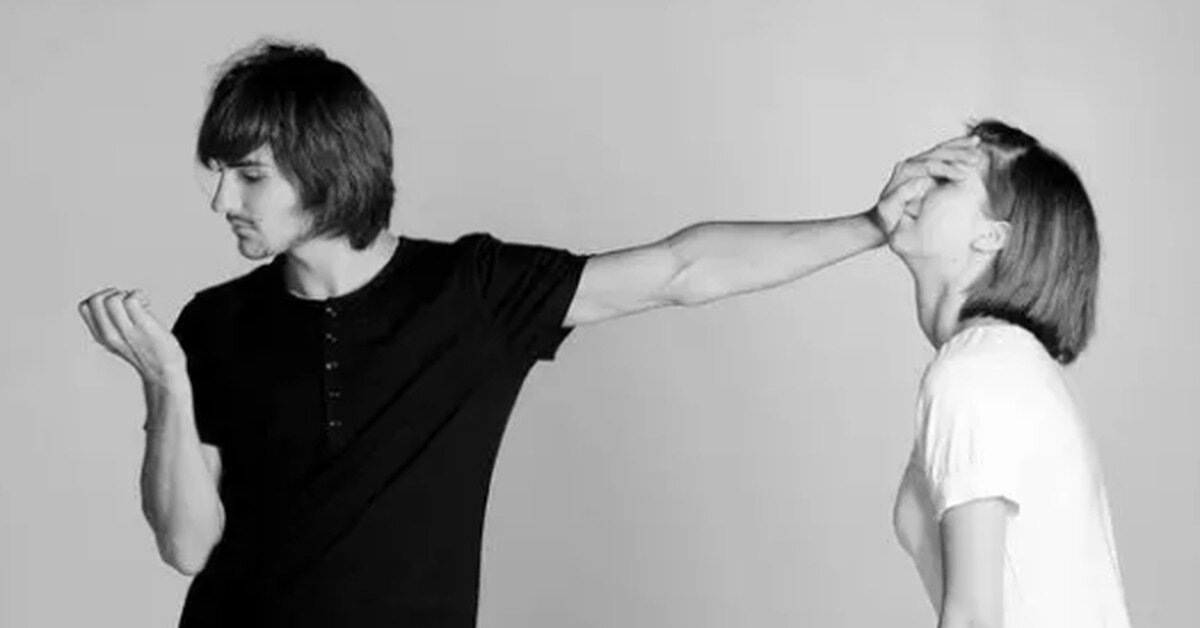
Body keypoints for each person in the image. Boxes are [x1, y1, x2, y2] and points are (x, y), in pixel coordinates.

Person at [77, 41, 958, 627]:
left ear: (322, 165)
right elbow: (186, 545)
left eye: (247, 175)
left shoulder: (471, 292)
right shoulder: (213, 324)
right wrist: (166, 383)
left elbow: (680, 270)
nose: (220, 200)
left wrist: (869, 228)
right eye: (218, 174)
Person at [888, 120, 1131, 627]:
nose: (916, 181)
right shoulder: (1003, 365)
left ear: (992, 235)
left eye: (945, 180)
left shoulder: (974, 372)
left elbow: (974, 617)